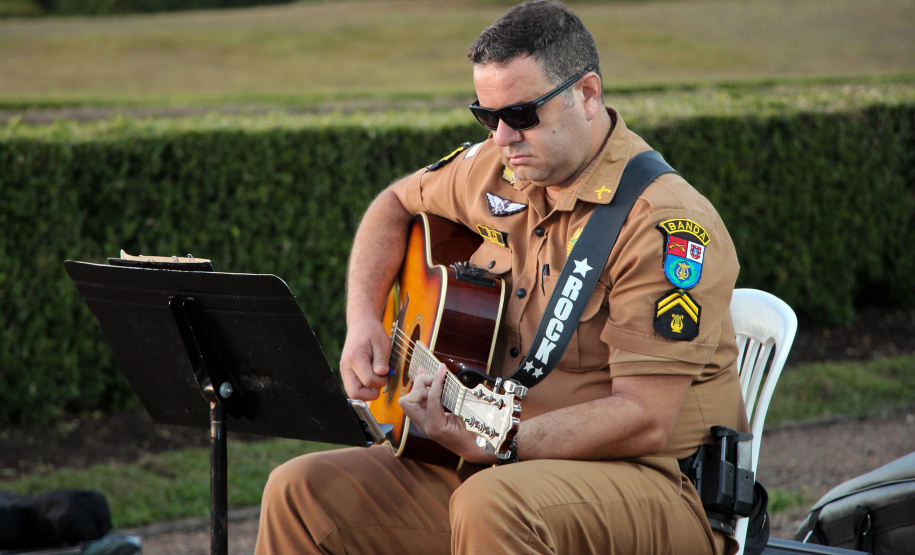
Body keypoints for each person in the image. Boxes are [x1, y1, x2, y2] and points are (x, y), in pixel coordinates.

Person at [255, 1, 748, 554]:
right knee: (300, 492)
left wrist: (499, 440)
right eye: (486, 116)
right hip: (505, 463)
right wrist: (365, 317)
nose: (502, 137)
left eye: (522, 115)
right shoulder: (502, 168)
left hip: (654, 485)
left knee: (491, 501)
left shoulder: (662, 224)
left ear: (587, 95)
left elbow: (645, 419)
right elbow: (393, 204)